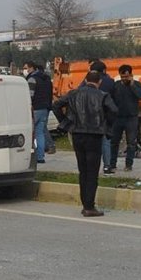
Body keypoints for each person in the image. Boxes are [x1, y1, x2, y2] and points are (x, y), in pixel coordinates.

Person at [53, 71, 118, 217]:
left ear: (85, 80)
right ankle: (89, 206)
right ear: (99, 82)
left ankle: (85, 204)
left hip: (77, 134)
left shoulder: (73, 94)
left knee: (83, 170)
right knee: (92, 171)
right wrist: (106, 126)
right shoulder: (102, 95)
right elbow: (114, 110)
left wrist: (65, 123)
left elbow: (56, 105)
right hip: (94, 135)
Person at [108, 64, 141, 172]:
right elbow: (109, 99)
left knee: (131, 142)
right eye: (122, 77)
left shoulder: (137, 84)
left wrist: (132, 85)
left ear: (131, 75)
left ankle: (129, 164)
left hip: (131, 118)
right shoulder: (116, 86)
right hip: (117, 118)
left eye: (126, 77)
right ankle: (112, 164)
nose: (124, 79)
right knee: (114, 142)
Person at [87, 60, 117, 174]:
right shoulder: (110, 81)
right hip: (104, 114)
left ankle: (92, 166)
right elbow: (114, 98)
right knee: (106, 141)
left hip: (90, 114)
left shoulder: (87, 81)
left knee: (92, 142)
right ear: (104, 70)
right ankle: (107, 166)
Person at [23, 61, 52, 164]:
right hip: (44, 109)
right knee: (40, 133)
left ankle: (28, 156)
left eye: (26, 68)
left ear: (31, 68)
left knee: (29, 132)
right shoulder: (46, 79)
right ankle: (41, 157)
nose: (25, 70)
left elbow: (29, 96)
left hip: (35, 109)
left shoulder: (32, 79)